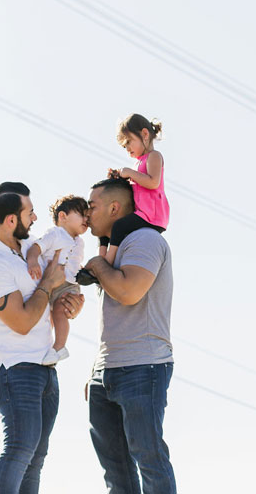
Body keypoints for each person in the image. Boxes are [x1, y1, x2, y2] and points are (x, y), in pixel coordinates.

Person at [0, 181, 85, 494]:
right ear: (11, 220)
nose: (35, 218)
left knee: (35, 458)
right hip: (16, 371)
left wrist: (67, 302)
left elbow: (54, 287)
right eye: (30, 213)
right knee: (20, 450)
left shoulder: (26, 248)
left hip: (45, 368)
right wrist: (49, 283)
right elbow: (21, 322)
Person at [82, 177, 176, 494]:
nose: (86, 212)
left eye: (91, 206)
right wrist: (97, 368)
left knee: (149, 461)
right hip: (107, 371)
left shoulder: (145, 240)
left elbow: (128, 292)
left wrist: (96, 265)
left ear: (114, 207)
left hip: (142, 367)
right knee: (116, 472)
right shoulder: (112, 252)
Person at [25, 194, 90, 365]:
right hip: (51, 283)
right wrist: (32, 261)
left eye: (87, 216)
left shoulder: (80, 242)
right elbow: (36, 248)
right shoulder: (54, 234)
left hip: (70, 285)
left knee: (60, 311)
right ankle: (47, 349)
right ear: (63, 216)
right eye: (81, 214)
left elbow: (75, 262)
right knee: (48, 318)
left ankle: (59, 346)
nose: (86, 219)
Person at [100, 113, 170, 265]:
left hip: (152, 214)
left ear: (144, 134)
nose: (127, 149)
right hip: (142, 213)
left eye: (129, 142)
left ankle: (107, 262)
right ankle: (102, 256)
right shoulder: (138, 163)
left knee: (119, 226)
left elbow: (153, 182)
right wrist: (119, 177)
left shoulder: (154, 156)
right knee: (109, 223)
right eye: (124, 146)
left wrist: (129, 173)